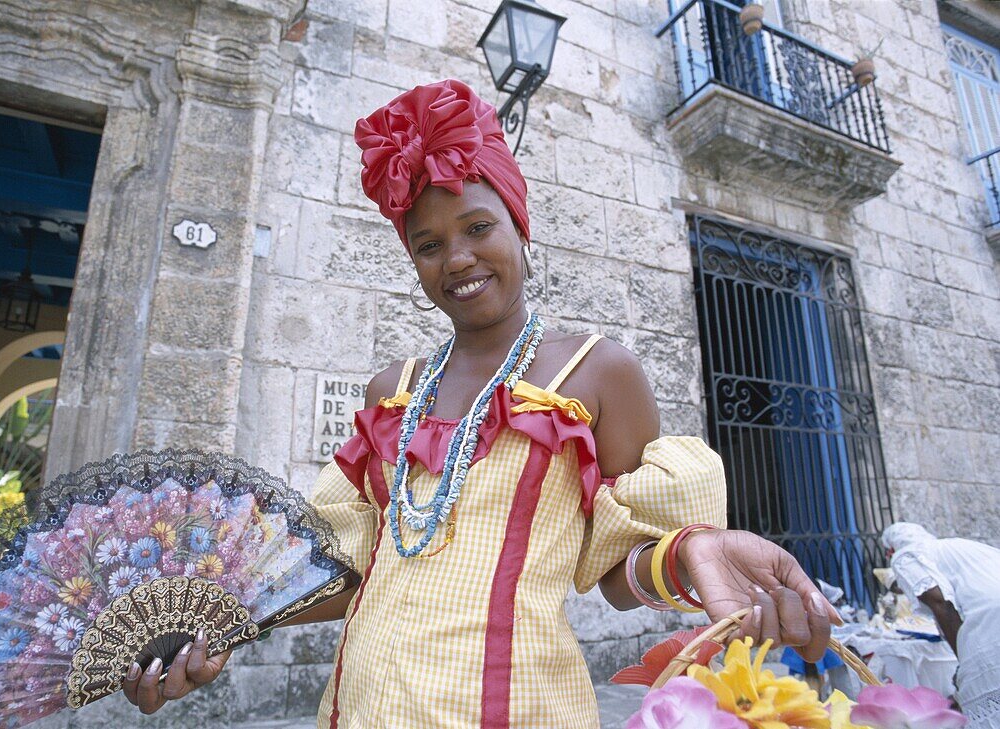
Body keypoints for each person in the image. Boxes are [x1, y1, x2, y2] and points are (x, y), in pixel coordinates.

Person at [122, 79, 840, 727]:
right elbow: (346, 570)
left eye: (476, 228)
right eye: (428, 244)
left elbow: (618, 574)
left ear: (520, 227)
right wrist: (220, 619)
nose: (456, 258)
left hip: (516, 707)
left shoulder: (596, 373)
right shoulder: (390, 391)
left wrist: (693, 549)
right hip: (363, 706)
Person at [883, 522, 1000, 728]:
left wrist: (963, 662)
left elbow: (940, 603)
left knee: (982, 695)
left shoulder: (905, 556)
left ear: (890, 550)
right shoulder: (956, 547)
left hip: (989, 626)